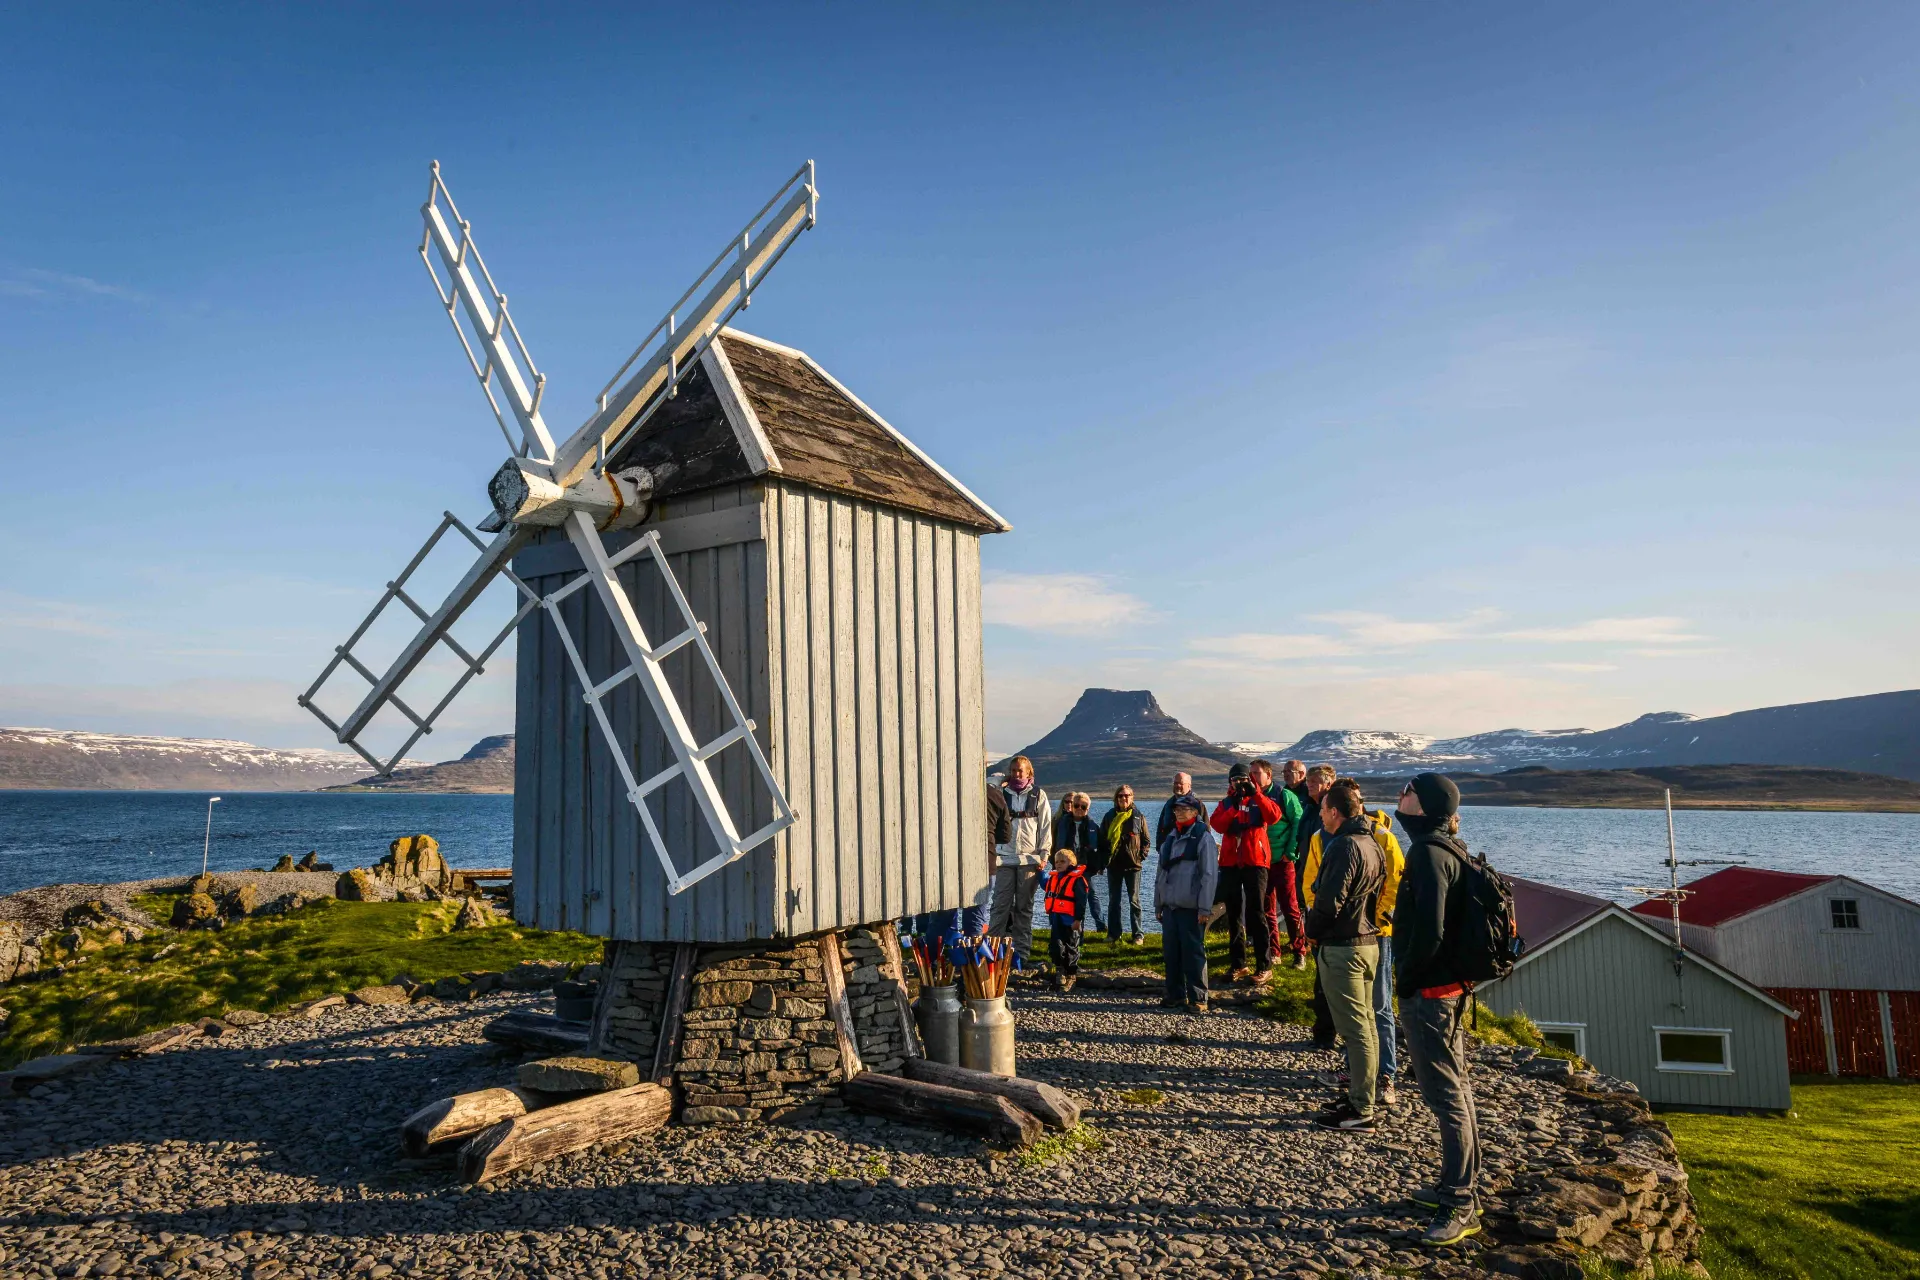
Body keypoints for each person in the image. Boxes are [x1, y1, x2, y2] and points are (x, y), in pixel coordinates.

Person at [1394, 772, 1483, 1247]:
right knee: (1459, 1087)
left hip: (1431, 995)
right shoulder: (1449, 847)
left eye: (1407, 793)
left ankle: (1459, 1202)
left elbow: (1427, 933)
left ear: (1425, 805)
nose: (1400, 797)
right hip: (1448, 990)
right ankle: (1461, 1184)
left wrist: (1405, 982)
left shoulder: (1427, 854)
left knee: (1446, 1096)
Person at [1300, 779, 1406, 1104]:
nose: (1320, 814)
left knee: (1376, 1008)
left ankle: (1380, 1079)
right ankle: (1359, 1072)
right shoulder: (1326, 839)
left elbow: (1395, 881)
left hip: (1365, 935)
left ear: (1338, 808)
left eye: (1323, 809)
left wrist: (1382, 917)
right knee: (1355, 1012)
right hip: (1351, 934)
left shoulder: (1373, 838)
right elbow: (1311, 881)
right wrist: (1312, 913)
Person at [1207, 763, 1283, 983]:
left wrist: (1256, 794)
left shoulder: (1260, 800)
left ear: (1250, 780)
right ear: (1229, 782)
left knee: (1257, 912)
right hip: (1231, 863)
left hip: (1256, 862)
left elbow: (1274, 816)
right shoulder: (1226, 803)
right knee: (1233, 914)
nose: (1238, 784)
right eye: (1234, 780)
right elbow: (1217, 825)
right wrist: (1234, 807)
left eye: (1242, 779)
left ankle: (1264, 965)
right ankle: (1238, 964)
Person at [1154, 792, 1220, 1013]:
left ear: (1195, 812)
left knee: (1193, 952)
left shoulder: (1204, 838)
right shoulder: (1170, 838)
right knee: (1171, 952)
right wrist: (1158, 903)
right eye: (1176, 809)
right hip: (1170, 906)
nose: (1179, 813)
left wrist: (1204, 907)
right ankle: (1175, 995)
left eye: (1184, 809)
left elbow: (1209, 875)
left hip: (1191, 908)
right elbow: (1160, 873)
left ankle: (1199, 997)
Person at [989, 755, 1053, 966]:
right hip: (1004, 859)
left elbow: (1045, 827)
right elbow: (987, 784)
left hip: (1029, 859)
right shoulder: (1000, 793)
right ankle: (992, 953)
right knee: (1000, 907)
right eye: (1014, 770)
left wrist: (1045, 855)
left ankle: (1022, 954)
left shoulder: (1038, 795)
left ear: (1029, 773)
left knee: (1024, 909)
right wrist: (1001, 780)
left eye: (1021, 771)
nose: (1017, 774)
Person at [1252, 759, 1305, 970]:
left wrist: (1290, 852)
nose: (1253, 777)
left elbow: (1298, 822)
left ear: (1268, 775)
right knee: (1266, 908)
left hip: (1282, 860)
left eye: (1257, 773)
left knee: (1290, 907)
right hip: (1260, 861)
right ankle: (1274, 951)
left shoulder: (1285, 796)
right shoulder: (1250, 797)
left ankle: (1299, 951)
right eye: (1251, 773)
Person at [1099, 783, 1152, 944]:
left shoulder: (1138, 817)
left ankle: (1138, 934)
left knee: (1134, 901)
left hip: (1133, 866)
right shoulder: (1109, 817)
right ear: (1116, 798)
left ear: (1132, 798)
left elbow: (1146, 840)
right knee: (1114, 901)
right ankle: (1114, 934)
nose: (1123, 798)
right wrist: (1103, 860)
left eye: (1127, 795)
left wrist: (1140, 856)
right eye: (1120, 795)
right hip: (1114, 865)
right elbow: (1102, 840)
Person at [1053, 792, 1108, 936]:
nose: (1079, 808)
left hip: (1085, 867)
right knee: (1065, 895)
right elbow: (1054, 843)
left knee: (1091, 895)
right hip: (1066, 866)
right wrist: (1055, 863)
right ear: (1071, 806)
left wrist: (1100, 865)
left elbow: (1102, 848)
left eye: (1083, 807)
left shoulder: (1093, 826)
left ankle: (1101, 926)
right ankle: (1065, 925)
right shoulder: (1061, 823)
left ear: (1087, 809)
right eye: (1076, 805)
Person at [1042, 848, 1093, 991]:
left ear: (1072, 863)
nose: (1058, 864)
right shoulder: (1054, 878)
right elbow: (1045, 886)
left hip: (1071, 921)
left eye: (1062, 862)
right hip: (1057, 918)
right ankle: (1060, 972)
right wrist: (1040, 871)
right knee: (1055, 947)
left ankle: (1071, 976)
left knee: (1071, 947)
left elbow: (1081, 901)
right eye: (1056, 862)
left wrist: (1078, 920)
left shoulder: (1077, 880)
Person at [1156, 771, 1204, 847]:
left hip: (1189, 850)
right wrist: (1159, 847)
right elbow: (1161, 827)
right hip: (1168, 849)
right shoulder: (1169, 804)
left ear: (1189, 786)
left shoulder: (1197, 805)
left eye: (1181, 783)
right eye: (1175, 783)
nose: (1178, 785)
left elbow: (1206, 828)